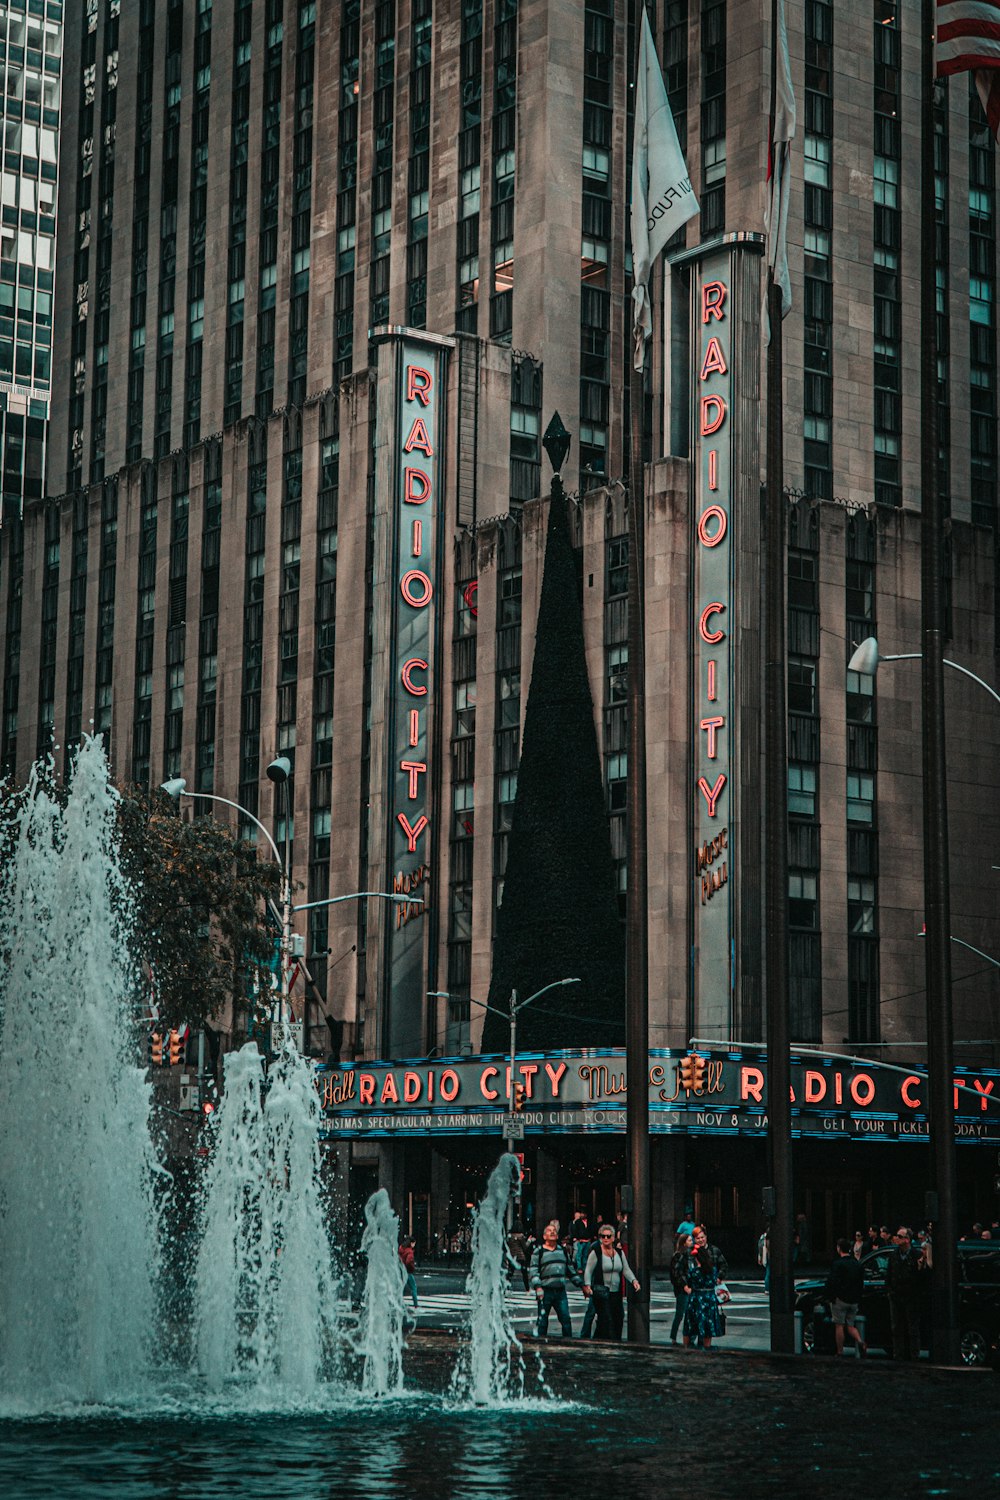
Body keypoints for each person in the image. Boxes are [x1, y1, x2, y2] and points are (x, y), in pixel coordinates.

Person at [583, 1224, 640, 1342]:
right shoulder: (596, 1252)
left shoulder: (619, 1252)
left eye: (608, 1236)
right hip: (602, 1293)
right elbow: (588, 1270)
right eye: (603, 1236)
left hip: (616, 1292)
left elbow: (626, 1269)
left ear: (613, 1238)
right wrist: (587, 1285)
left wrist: (634, 1281)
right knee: (605, 1319)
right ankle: (603, 1342)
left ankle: (614, 1341)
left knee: (618, 1317)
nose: (605, 1238)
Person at [530, 1221, 582, 1338]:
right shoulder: (539, 1251)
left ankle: (568, 1346)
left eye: (554, 1231)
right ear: (544, 1236)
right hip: (545, 1290)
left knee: (566, 1320)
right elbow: (533, 1270)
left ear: (557, 1236)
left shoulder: (563, 1251)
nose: (552, 1232)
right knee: (542, 1322)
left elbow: (570, 1270)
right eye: (549, 1231)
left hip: (560, 1291)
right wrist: (538, 1286)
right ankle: (540, 1346)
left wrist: (581, 1285)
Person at [885, 1225, 926, 1361]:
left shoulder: (917, 1255)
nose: (896, 1238)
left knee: (912, 1327)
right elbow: (889, 1274)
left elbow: (923, 1277)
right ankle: (898, 1354)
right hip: (896, 1295)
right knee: (896, 1327)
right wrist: (890, 1290)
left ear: (908, 1239)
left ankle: (914, 1355)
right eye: (897, 1236)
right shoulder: (893, 1255)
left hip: (911, 1296)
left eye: (900, 1236)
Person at [682, 1228, 723, 1351]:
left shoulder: (694, 1271)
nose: (700, 1240)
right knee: (707, 1326)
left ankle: (687, 1348)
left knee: (690, 1325)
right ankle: (706, 1348)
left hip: (696, 1298)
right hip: (709, 1298)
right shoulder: (712, 1271)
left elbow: (688, 1278)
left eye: (702, 1237)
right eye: (697, 1238)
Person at [825, 1236, 866, 1357]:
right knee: (850, 1325)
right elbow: (860, 1282)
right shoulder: (857, 1264)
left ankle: (840, 1351)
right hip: (854, 1299)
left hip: (841, 1298)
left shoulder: (837, 1264)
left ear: (839, 1248)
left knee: (839, 1325)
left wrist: (831, 1296)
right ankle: (860, 1340)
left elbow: (832, 1282)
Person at [669, 1231, 693, 1344]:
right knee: (680, 1313)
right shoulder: (679, 1255)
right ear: (684, 1243)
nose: (691, 1242)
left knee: (688, 1314)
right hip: (683, 1289)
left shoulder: (689, 1255)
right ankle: (674, 1337)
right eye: (689, 1240)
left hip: (688, 1288)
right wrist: (684, 1286)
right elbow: (677, 1273)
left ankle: (689, 1338)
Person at [398, 1236, 418, 1310]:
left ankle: (399, 1303)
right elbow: (409, 1261)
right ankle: (416, 1305)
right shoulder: (409, 1251)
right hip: (407, 1272)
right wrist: (412, 1268)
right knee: (413, 1288)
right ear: (411, 1243)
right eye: (414, 1243)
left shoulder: (400, 1248)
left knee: (400, 1288)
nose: (414, 1245)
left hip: (400, 1271)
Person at [757, 1225, 771, 1290]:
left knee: (768, 1272)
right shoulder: (767, 1238)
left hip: (765, 1256)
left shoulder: (762, 1237)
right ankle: (768, 1288)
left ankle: (767, 1288)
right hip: (769, 1256)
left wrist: (759, 1257)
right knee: (769, 1273)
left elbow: (759, 1248)